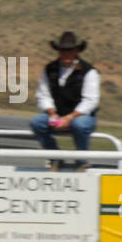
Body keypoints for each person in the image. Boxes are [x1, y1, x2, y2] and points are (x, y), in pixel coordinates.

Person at [31, 31, 98, 172]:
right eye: (63, 50)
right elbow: (43, 95)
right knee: (37, 123)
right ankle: (55, 157)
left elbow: (90, 101)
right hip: (57, 114)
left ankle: (82, 161)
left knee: (80, 125)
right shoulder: (50, 69)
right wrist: (52, 113)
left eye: (70, 50)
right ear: (58, 51)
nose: (66, 53)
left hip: (81, 116)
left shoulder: (89, 71)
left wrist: (70, 117)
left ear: (77, 51)